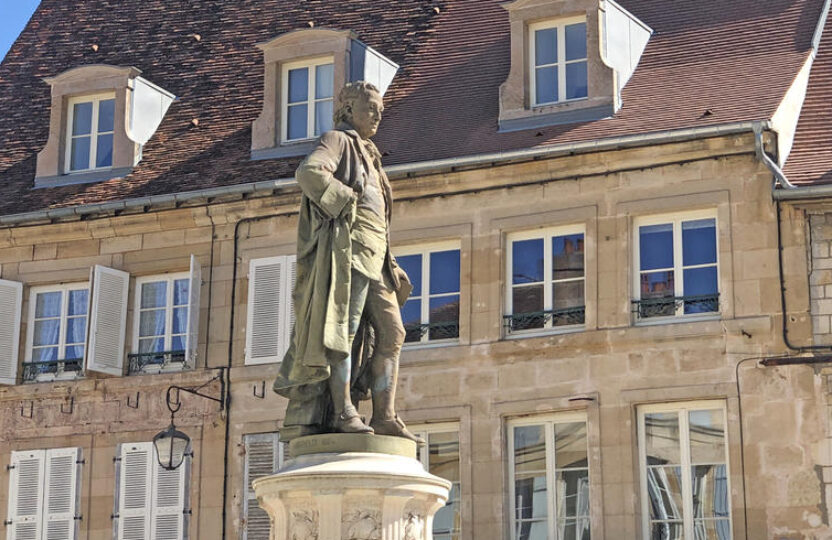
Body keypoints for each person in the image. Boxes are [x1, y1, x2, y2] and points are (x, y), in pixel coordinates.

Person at [273, 81, 422, 444]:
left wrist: (391, 259)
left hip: (377, 259)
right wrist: (345, 200)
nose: (377, 115)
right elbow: (309, 172)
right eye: (371, 108)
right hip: (348, 252)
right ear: (348, 109)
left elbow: (379, 216)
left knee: (393, 333)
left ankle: (384, 415)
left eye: (380, 111)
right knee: (343, 331)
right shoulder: (337, 140)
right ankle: (342, 410)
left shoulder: (372, 155)